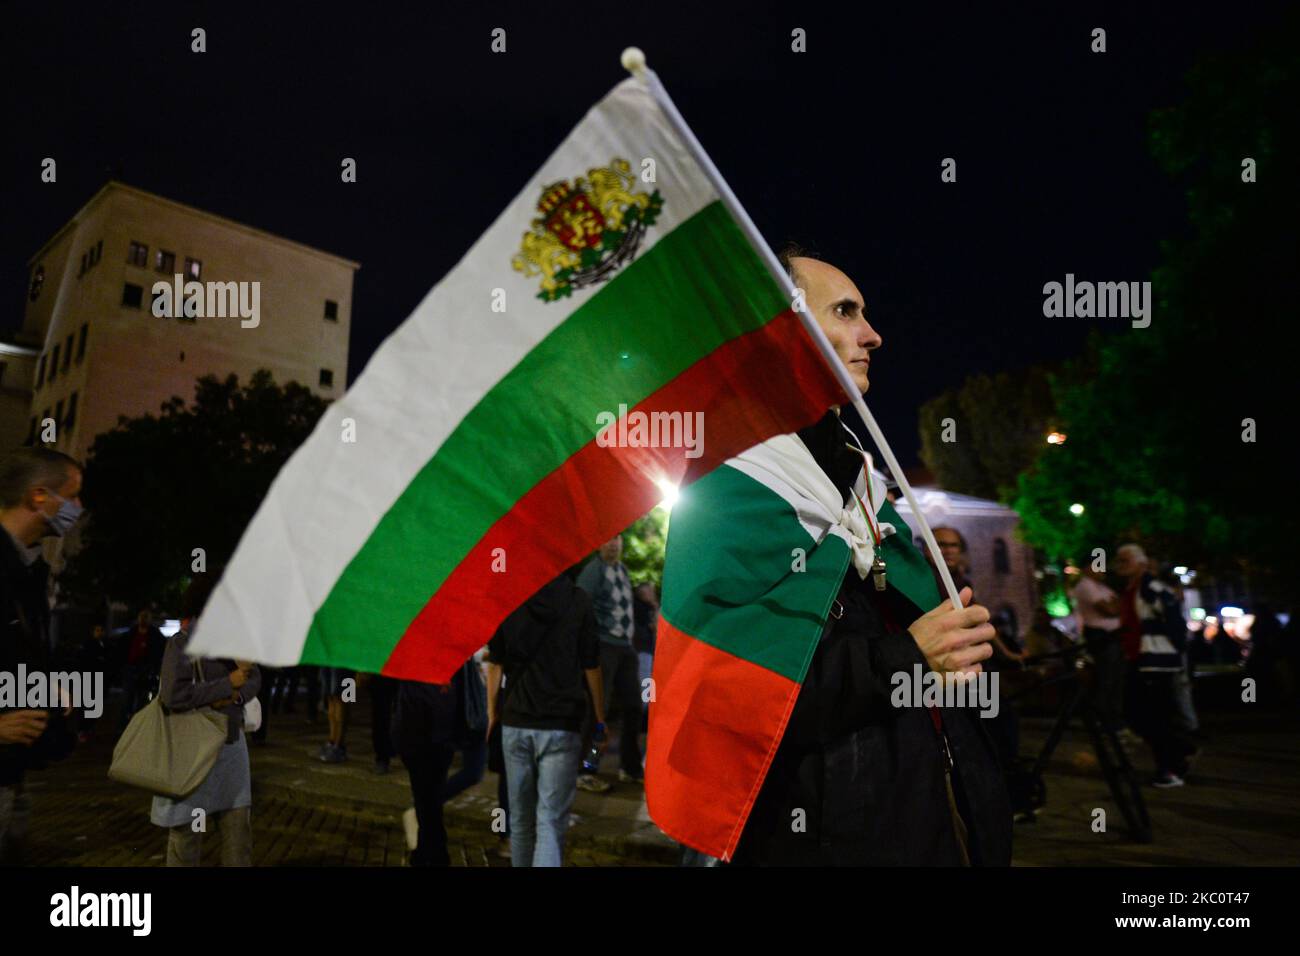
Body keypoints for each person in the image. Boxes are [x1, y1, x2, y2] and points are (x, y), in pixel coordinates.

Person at [648, 249, 1011, 865]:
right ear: (783, 329)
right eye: (845, 312)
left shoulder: (861, 478)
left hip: (925, 821)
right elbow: (731, 694)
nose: (872, 334)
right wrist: (910, 653)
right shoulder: (730, 485)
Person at [486, 572, 605, 867]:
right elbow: (591, 665)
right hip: (561, 723)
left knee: (520, 819)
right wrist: (600, 719)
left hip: (515, 721)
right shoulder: (579, 601)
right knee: (550, 822)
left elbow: (495, 664)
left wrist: (492, 713)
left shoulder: (509, 600)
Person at [0, 448, 84, 864]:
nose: (78, 509)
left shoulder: (29, 568)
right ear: (38, 497)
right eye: (72, 497)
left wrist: (49, 688)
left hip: (13, 770)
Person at [150, 575, 261, 866]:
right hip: (192, 749)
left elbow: (256, 680)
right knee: (186, 835)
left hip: (231, 746)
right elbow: (173, 694)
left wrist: (236, 695)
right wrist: (226, 685)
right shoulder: (182, 644)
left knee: (238, 829)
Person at [1113, 543, 1196, 787]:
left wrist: (1172, 651)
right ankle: (1179, 754)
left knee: (1151, 716)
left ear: (1140, 563)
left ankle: (1172, 766)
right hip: (1142, 659)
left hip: (1154, 662)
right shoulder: (1136, 589)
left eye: (1125, 560)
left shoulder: (1151, 588)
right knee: (1141, 715)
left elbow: (1174, 623)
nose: (1119, 565)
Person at [394, 656, 484, 866]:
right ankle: (432, 853)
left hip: (426, 733)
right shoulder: (448, 651)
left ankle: (431, 854)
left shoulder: (411, 650)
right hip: (428, 733)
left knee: (427, 800)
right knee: (429, 801)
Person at [575, 535, 640, 787]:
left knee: (634, 706)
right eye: (607, 540)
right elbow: (581, 607)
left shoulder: (622, 570)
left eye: (618, 539)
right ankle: (586, 769)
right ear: (598, 544)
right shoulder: (593, 572)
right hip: (605, 646)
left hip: (625, 647)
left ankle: (629, 766)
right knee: (597, 710)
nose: (613, 544)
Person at [1072, 564, 1126, 735]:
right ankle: (1103, 721)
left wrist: (1116, 605)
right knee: (1106, 677)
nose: (1102, 570)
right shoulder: (1086, 586)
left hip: (1112, 635)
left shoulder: (1101, 587)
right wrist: (1114, 605)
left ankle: (1112, 721)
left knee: (1115, 678)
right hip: (1100, 636)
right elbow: (1111, 609)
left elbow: (1120, 605)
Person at [115, 609, 164, 732]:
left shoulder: (154, 635)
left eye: (145, 617)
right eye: (142, 617)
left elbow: (158, 652)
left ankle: (137, 727)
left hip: (145, 671)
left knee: (141, 701)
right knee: (127, 700)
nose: (143, 620)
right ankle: (124, 728)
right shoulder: (131, 634)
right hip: (131, 669)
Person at [318, 667, 353, 762]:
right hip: (329, 659)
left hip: (346, 661)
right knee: (331, 698)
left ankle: (339, 744)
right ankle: (332, 741)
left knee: (343, 699)